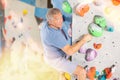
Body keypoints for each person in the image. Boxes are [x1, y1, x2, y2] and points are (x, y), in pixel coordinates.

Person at [40, 8, 92, 80]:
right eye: (57, 19)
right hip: (56, 60)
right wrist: (84, 40)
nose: (61, 20)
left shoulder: (46, 23)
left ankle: (62, 73)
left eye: (61, 17)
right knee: (81, 71)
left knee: (64, 75)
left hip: (50, 54)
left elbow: (62, 18)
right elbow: (70, 51)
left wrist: (76, 15)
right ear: (50, 21)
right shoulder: (53, 35)